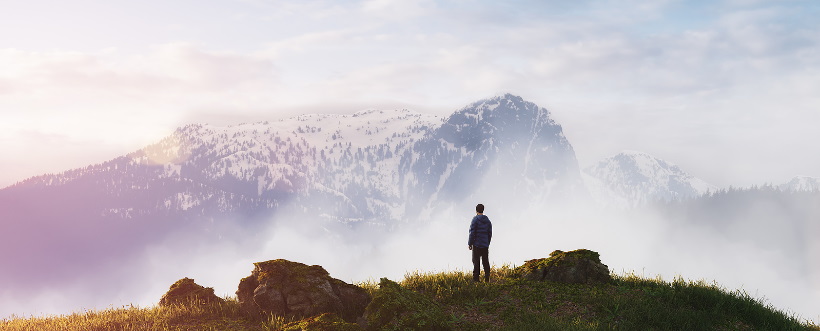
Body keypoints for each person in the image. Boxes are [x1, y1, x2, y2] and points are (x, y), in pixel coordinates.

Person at [468, 203, 492, 282]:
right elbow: (489, 233)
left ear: (476, 210)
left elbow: (472, 232)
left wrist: (470, 243)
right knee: (485, 261)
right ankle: (487, 278)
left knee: (476, 261)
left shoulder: (475, 220)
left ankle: (476, 280)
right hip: (485, 245)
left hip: (477, 244)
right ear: (483, 210)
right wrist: (487, 243)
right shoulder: (487, 220)